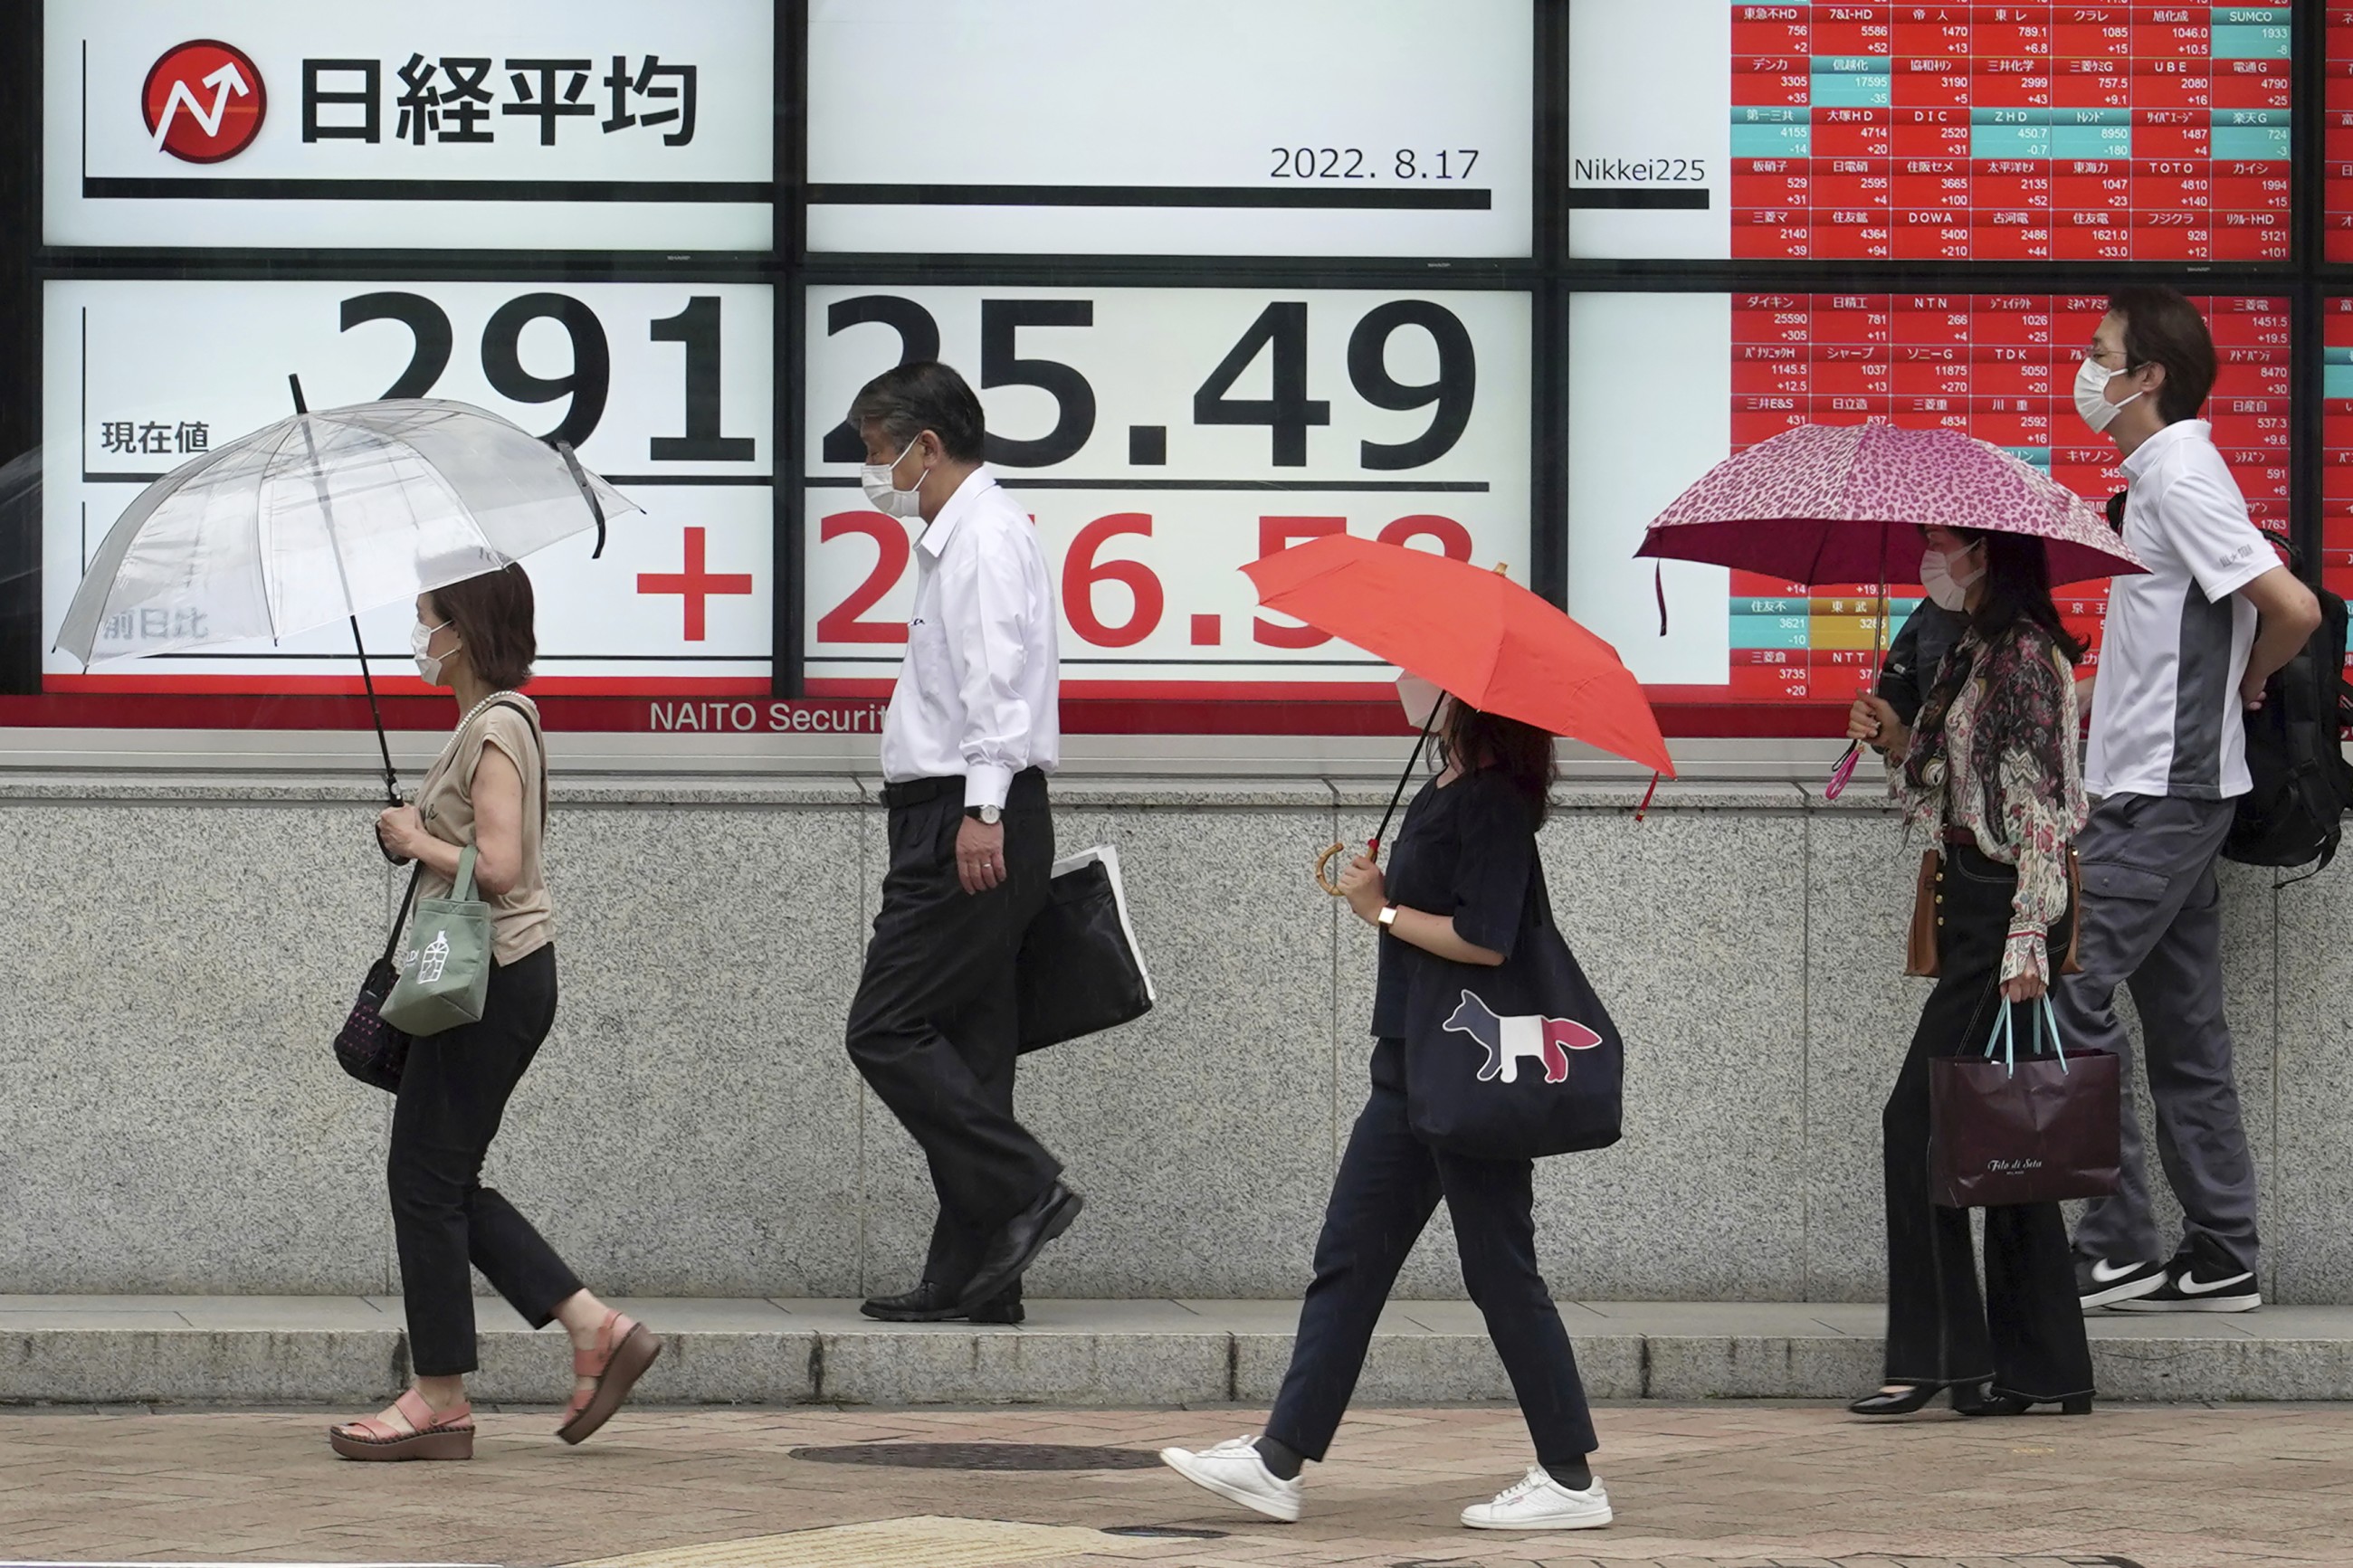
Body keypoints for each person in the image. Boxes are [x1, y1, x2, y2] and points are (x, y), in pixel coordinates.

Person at [1161, 697, 1610, 1533]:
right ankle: (1277, 1458)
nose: (1409, 679)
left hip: (1466, 1073)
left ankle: (1571, 1479)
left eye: (1425, 671)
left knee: (1499, 1270)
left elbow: (1488, 939)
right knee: (1350, 1257)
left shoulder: (1494, 801)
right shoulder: (1442, 784)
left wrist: (1383, 910)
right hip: (1408, 1061)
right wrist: (1382, 884)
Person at [330, 565, 659, 1462]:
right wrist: (427, 834)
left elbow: (503, 865)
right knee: (439, 1178)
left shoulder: (500, 723)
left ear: (463, 630)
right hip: (488, 978)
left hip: (495, 976)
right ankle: (592, 1327)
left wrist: (414, 838)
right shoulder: (483, 723)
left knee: (425, 1178)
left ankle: (440, 1394)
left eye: (425, 619)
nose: (418, 634)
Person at [2062, 289, 2320, 1314]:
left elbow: (2290, 607)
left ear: (2146, 376)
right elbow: (2151, 657)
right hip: (2152, 788)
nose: (2084, 370)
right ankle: (2221, 1252)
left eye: (2099, 353)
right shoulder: (2157, 479)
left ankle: (2117, 1242)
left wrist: (2251, 680)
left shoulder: (2177, 472)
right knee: (2184, 1034)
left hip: (2160, 796)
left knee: (2072, 992)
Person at [843, 361, 1080, 1326]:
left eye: (875, 452)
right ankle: (977, 1277)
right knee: (973, 1045)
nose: (874, 473)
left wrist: (981, 809)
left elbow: (999, 683)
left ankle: (1025, 1185)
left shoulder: (981, 540)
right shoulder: (965, 537)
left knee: (885, 1026)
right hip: (970, 809)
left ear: (924, 445)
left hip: (966, 815)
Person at [1844, 526, 2096, 1419]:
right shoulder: (1971, 650)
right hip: (1969, 899)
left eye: (1940, 545)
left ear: (1986, 556)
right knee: (1998, 1137)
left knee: (1919, 1123)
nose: (1927, 559)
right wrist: (1890, 734)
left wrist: (2026, 932)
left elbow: (2039, 807)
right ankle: (2029, 1366)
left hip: (2000, 909)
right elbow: (1940, 784)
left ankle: (1933, 1358)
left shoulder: (2022, 657)